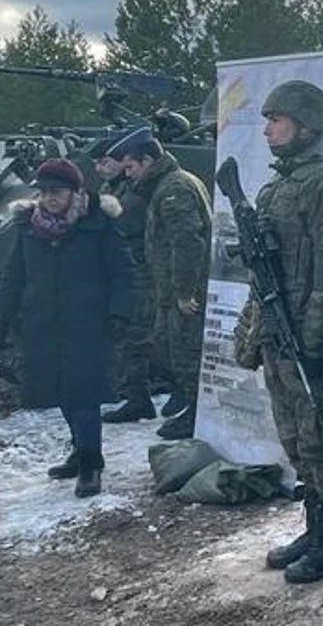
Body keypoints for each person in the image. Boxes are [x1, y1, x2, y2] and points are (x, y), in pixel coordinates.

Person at [234, 81, 323, 586]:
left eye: (276, 120)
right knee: (296, 439)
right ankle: (314, 528)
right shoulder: (277, 185)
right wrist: (255, 329)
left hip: (308, 338)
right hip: (279, 334)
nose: (267, 130)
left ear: (305, 126)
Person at [0, 158, 134, 498]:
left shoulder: (98, 224)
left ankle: (90, 464)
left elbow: (124, 274)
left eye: (58, 192)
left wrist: (120, 314)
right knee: (62, 395)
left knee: (84, 396)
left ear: (76, 192)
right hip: (44, 325)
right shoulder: (29, 228)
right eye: (45, 192)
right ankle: (78, 448)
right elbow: (14, 275)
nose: (50, 198)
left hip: (88, 324)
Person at [109, 126, 212, 440]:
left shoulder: (172, 189)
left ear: (149, 159)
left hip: (183, 291)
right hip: (170, 288)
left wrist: (184, 290)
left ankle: (199, 413)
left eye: (131, 167)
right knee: (168, 349)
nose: (128, 175)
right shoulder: (172, 183)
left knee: (185, 354)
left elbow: (187, 241)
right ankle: (194, 409)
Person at [92, 133, 160, 423]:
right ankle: (135, 396)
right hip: (124, 274)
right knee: (130, 340)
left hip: (139, 274)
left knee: (138, 340)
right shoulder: (117, 187)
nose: (99, 168)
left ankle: (141, 398)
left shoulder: (134, 194)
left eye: (105, 161)